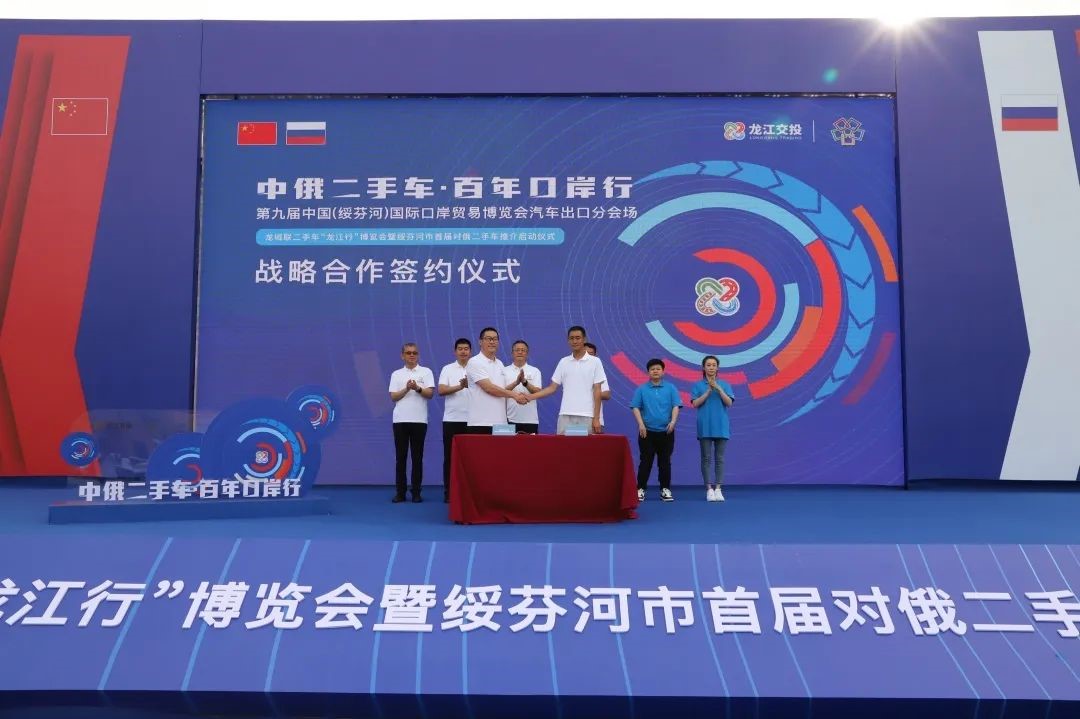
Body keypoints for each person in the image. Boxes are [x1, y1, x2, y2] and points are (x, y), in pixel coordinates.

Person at [531, 326, 606, 434]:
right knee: (564, 445)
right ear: (568, 341)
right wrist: (530, 397)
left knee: (586, 446)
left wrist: (596, 418)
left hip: (587, 416)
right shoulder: (563, 362)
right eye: (571, 338)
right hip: (565, 416)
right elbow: (552, 388)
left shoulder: (595, 362)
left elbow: (597, 391)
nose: (574, 341)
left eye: (578, 338)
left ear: (584, 339)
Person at [387, 342, 434, 503]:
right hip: (400, 420)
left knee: (417, 458)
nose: (412, 355)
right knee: (401, 458)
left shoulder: (426, 372)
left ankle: (416, 492)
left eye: (414, 353)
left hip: (419, 420)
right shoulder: (396, 374)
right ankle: (400, 492)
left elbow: (430, 394)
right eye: (408, 353)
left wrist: (417, 388)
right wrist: (407, 388)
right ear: (402, 356)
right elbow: (393, 397)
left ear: (418, 355)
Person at [630, 358, 681, 502]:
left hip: (666, 432)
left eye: (658, 369)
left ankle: (665, 489)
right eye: (652, 369)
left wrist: (673, 422)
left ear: (663, 371)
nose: (655, 371)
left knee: (665, 462)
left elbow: (676, 406)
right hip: (647, 432)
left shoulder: (671, 388)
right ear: (648, 372)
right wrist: (641, 425)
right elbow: (635, 407)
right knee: (645, 461)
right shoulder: (641, 389)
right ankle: (640, 489)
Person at [465, 327, 530, 433]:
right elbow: (489, 388)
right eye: (488, 338)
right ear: (480, 342)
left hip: (501, 424)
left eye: (495, 339)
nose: (492, 342)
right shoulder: (474, 362)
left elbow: (501, 390)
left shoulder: (499, 363)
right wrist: (515, 395)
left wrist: (516, 383)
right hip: (481, 423)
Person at [690, 354, 734, 502]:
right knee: (706, 458)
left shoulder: (725, 384)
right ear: (703, 368)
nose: (711, 367)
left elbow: (729, 403)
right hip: (705, 426)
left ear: (717, 368)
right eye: (708, 365)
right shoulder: (697, 385)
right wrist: (708, 391)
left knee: (720, 458)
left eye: (714, 365)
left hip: (721, 425)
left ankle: (718, 489)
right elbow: (695, 404)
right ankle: (709, 489)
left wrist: (718, 389)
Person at [437, 337, 472, 503]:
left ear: (470, 351)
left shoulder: (477, 368)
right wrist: (460, 386)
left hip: (474, 420)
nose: (463, 351)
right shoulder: (447, 369)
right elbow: (441, 390)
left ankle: (469, 493)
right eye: (460, 349)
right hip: (452, 420)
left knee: (471, 459)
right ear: (455, 351)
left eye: (466, 349)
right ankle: (449, 492)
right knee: (450, 458)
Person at [503, 339, 542, 434]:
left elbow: (538, 392)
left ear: (527, 353)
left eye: (523, 350)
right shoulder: (504, 371)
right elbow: (500, 392)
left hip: (530, 420)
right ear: (512, 353)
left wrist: (525, 382)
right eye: (517, 350)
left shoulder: (535, 371)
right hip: (509, 419)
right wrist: (516, 383)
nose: (520, 352)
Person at [584, 342, 611, 431]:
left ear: (595, 356)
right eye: (585, 353)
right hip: (575, 419)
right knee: (575, 440)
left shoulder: (599, 372)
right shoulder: (573, 371)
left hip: (594, 421)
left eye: (591, 354)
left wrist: (592, 392)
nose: (588, 357)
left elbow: (607, 395)